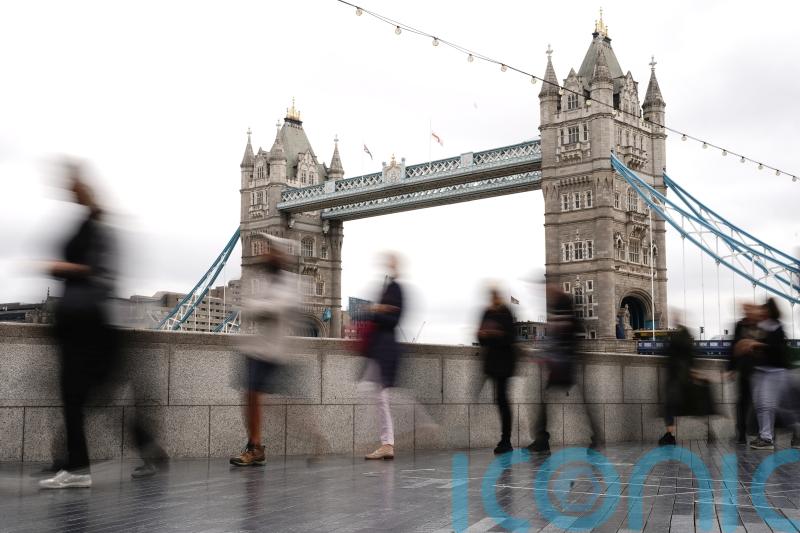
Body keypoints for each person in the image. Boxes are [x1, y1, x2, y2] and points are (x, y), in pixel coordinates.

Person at [40, 163, 120, 489]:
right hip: (80, 321)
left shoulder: (94, 228)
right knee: (76, 397)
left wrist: (62, 266)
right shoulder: (90, 224)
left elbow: (96, 271)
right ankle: (73, 464)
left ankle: (76, 467)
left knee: (76, 396)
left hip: (84, 323)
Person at [230, 242, 296, 466]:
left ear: (280, 256)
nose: (265, 254)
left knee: (257, 397)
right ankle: (254, 445)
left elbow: (273, 308)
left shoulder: (288, 283)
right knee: (249, 396)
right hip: (257, 349)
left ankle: (256, 447)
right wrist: (256, 306)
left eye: (270, 251)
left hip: (274, 352)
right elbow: (253, 309)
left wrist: (254, 306)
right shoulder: (267, 281)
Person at [529, 283, 599, 452]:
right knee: (568, 403)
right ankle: (543, 438)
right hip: (562, 364)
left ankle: (542, 439)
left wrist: (548, 354)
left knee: (551, 402)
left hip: (564, 364)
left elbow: (560, 337)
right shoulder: (561, 310)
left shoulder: (563, 311)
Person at [363, 253, 404, 460]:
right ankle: (387, 442)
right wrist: (379, 309)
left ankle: (387, 443)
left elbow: (392, 319)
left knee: (380, 396)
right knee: (379, 395)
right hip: (381, 349)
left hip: (385, 350)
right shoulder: (391, 286)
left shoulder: (395, 288)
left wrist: (376, 310)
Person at [745, 299, 791, 450]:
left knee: (767, 405)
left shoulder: (777, 327)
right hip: (762, 370)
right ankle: (764, 435)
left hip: (775, 372)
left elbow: (776, 348)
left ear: (770, 311)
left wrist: (757, 345)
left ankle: (767, 438)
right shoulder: (762, 326)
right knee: (760, 404)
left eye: (764, 310)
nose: (762, 312)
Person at [477, 287, 517, 454]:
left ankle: (506, 440)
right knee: (499, 399)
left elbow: (510, 336)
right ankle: (505, 440)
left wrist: (493, 333)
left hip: (504, 363)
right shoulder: (487, 312)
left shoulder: (505, 312)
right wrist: (482, 334)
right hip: (491, 363)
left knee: (502, 400)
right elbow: (480, 339)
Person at [729, 303, 761, 444]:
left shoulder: (762, 326)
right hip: (744, 370)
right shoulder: (739, 325)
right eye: (745, 310)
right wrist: (731, 368)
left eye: (749, 309)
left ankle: (763, 433)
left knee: (761, 403)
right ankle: (741, 434)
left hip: (759, 371)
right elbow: (733, 347)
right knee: (742, 403)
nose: (747, 312)